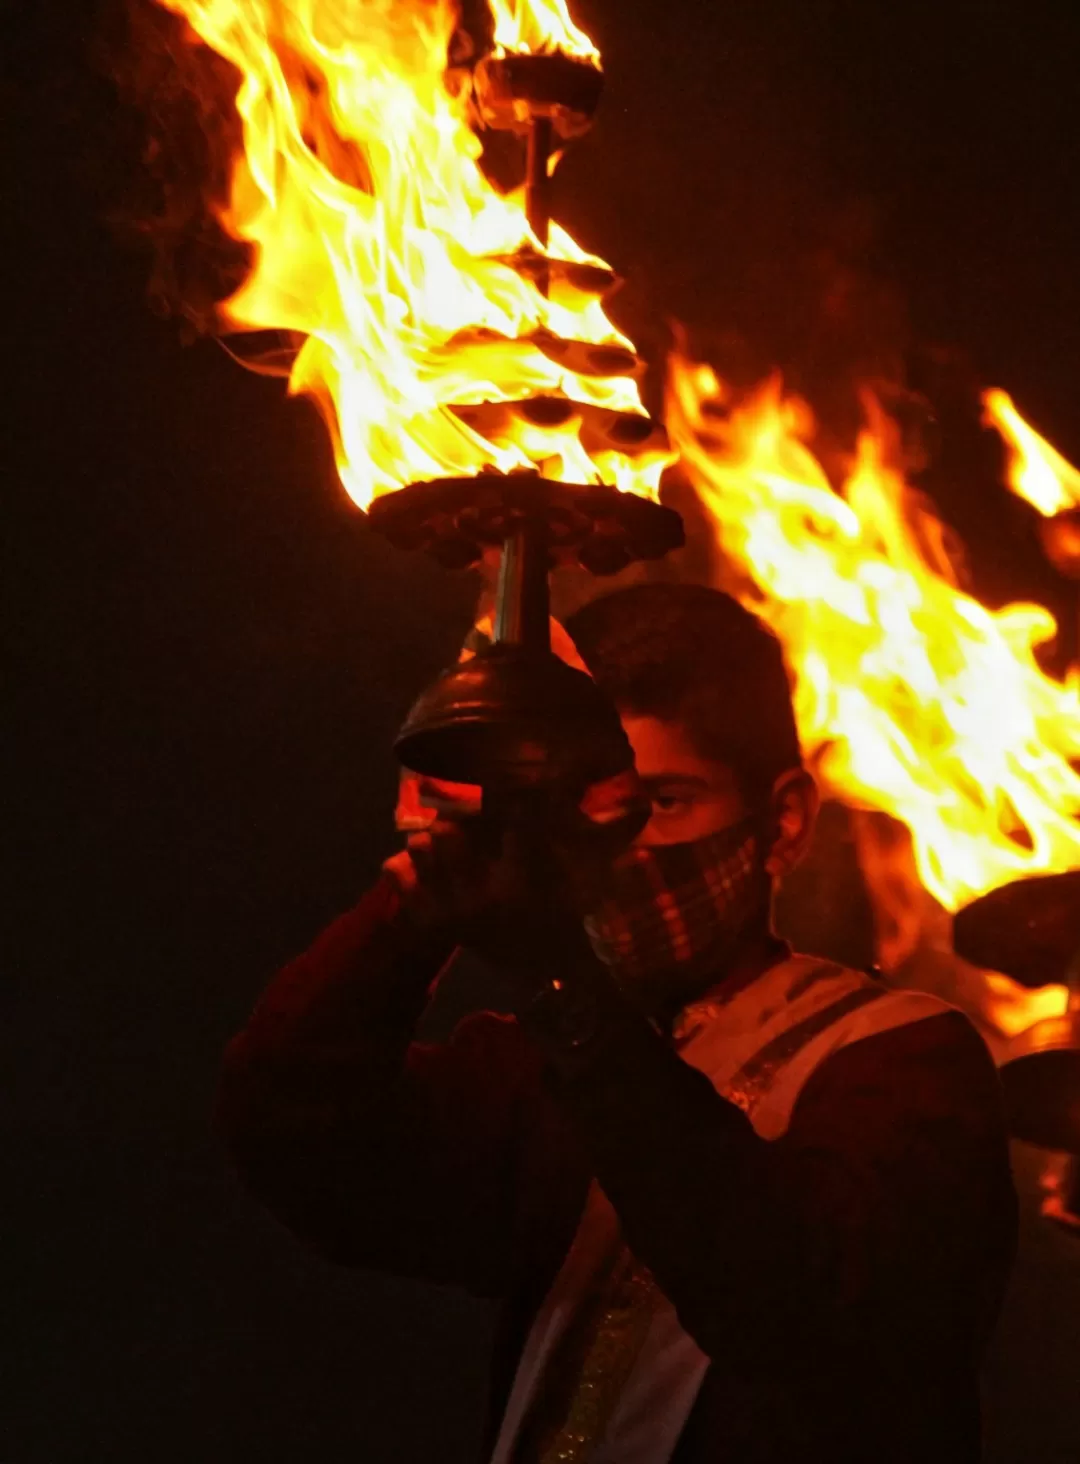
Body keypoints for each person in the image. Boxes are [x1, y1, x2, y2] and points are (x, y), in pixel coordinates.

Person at [217, 583, 1017, 1463]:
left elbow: (790, 1298)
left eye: (663, 802)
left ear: (781, 822)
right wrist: (412, 917)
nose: (619, 847)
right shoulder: (536, 1073)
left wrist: (578, 1006)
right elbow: (295, 1136)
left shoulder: (905, 1062)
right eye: (589, 807)